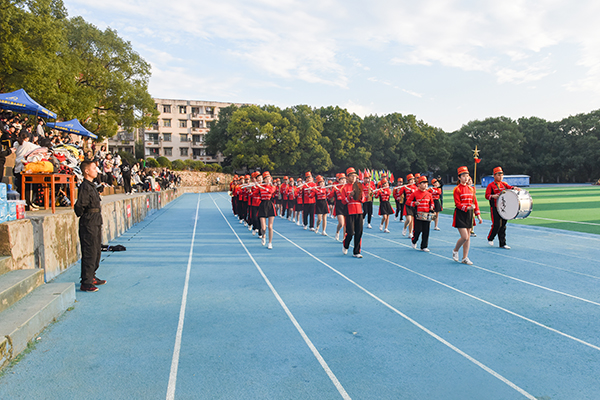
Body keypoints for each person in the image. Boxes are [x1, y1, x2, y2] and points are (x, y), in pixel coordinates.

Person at [74, 161, 105, 292]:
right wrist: (85, 215)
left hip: (96, 220)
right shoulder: (85, 186)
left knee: (96, 251)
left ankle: (92, 275)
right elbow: (79, 206)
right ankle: (86, 282)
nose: (96, 170)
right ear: (86, 171)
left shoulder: (92, 186)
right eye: (93, 168)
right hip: (88, 222)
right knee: (89, 251)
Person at [452, 166, 483, 265]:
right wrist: (467, 207)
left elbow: (475, 202)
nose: (466, 178)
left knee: (468, 237)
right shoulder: (457, 189)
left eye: (467, 176)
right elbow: (457, 204)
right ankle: (455, 250)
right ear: (459, 177)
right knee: (464, 237)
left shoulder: (471, 189)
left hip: (469, 214)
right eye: (463, 176)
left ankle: (465, 257)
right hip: (461, 214)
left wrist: (478, 215)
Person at [485, 166, 519, 249]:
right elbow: (487, 196)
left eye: (502, 175)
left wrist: (514, 188)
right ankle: (490, 238)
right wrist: (493, 196)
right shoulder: (491, 185)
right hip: (495, 208)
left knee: (503, 225)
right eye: (498, 175)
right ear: (494, 176)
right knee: (496, 225)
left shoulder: (504, 184)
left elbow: (510, 187)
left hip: (504, 207)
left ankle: (503, 243)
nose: (500, 177)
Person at [341, 167, 366, 258]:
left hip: (359, 211)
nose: (354, 178)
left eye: (355, 176)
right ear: (347, 177)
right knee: (350, 232)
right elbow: (343, 201)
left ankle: (356, 251)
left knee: (359, 232)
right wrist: (350, 196)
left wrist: (361, 196)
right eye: (351, 176)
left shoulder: (359, 186)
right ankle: (346, 244)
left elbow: (363, 199)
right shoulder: (344, 188)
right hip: (349, 212)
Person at [14, 131, 41, 211]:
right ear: (27, 138)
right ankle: (28, 205)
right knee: (27, 188)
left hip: (17, 167)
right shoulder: (28, 144)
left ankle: (23, 204)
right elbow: (39, 148)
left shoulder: (16, 143)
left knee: (20, 187)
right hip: (25, 167)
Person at [407, 176, 435, 251]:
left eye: (426, 183)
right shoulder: (415, 193)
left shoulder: (429, 194)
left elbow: (432, 202)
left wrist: (432, 206)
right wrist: (414, 203)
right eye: (423, 183)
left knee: (426, 231)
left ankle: (424, 246)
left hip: (427, 214)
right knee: (418, 230)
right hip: (418, 214)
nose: (425, 185)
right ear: (419, 184)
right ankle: (414, 240)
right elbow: (408, 202)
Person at [258, 171, 276, 249]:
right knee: (263, 227)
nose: (268, 180)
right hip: (262, 205)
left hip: (270, 205)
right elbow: (254, 194)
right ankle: (263, 236)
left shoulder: (273, 186)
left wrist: (262, 187)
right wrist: (251, 188)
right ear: (264, 180)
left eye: (269, 178)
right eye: (266, 178)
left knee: (270, 227)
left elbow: (271, 191)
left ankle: (270, 242)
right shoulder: (260, 186)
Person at [329, 173, 347, 241]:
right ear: (339, 181)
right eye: (341, 179)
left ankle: (344, 238)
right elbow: (330, 196)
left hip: (346, 206)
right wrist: (332, 189)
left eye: (344, 179)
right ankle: (337, 231)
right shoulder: (336, 188)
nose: (343, 181)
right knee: (341, 223)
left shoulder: (347, 187)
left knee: (346, 224)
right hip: (339, 206)